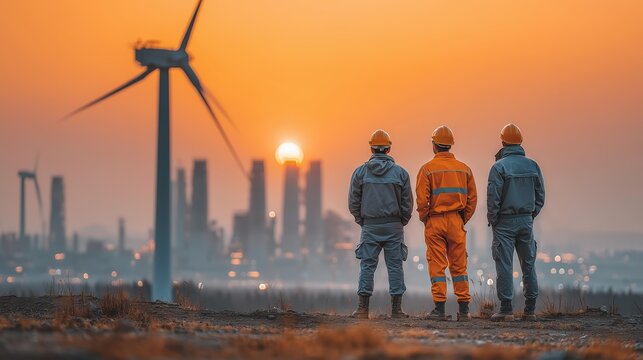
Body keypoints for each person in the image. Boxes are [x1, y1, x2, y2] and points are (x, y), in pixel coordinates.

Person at [348, 129, 413, 319]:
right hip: (394, 227)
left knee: (367, 266)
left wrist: (363, 221)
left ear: (371, 147)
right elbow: (407, 204)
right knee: (395, 267)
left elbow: (353, 202)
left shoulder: (360, 173)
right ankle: (396, 310)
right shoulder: (401, 173)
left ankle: (362, 309)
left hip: (370, 226)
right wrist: (401, 222)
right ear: (389, 148)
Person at [416, 125, 477, 321]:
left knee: (437, 265)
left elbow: (421, 200)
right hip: (456, 221)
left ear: (434, 145)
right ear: (450, 145)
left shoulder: (427, 170)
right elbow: (472, 200)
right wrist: (461, 219)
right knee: (459, 267)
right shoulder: (464, 169)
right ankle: (465, 310)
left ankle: (439, 309)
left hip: (435, 220)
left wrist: (426, 218)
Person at [487, 124, 545, 322]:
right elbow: (540, 196)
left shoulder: (499, 167)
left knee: (504, 264)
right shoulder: (533, 165)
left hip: (504, 221)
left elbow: (493, 197)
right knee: (529, 264)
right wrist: (530, 214)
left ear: (503, 142)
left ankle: (506, 309)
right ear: (520, 142)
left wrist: (494, 219)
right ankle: (530, 309)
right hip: (526, 221)